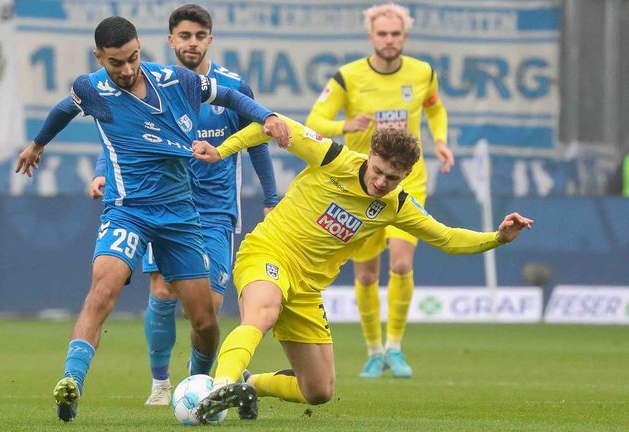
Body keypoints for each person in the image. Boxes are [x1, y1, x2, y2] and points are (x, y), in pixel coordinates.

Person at [14, 16, 290, 422]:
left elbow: (232, 98)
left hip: (181, 216)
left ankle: (199, 388)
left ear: (141, 47)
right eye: (115, 63)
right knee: (102, 291)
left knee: (204, 319)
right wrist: (37, 144)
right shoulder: (91, 88)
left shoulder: (178, 80)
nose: (125, 70)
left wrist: (266, 116)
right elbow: (63, 109)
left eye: (132, 59)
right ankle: (72, 381)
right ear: (99, 58)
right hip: (127, 211)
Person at [190, 115, 532, 423]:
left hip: (307, 288)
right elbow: (270, 125)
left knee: (319, 390)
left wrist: (497, 238)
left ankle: (249, 384)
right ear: (370, 155)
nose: (382, 182)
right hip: (269, 252)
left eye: (393, 178)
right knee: (262, 313)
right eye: (378, 171)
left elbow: (447, 238)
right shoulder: (332, 156)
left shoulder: (397, 206)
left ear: (407, 175)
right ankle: (218, 386)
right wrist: (221, 151)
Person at [89, 4, 279, 406]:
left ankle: (201, 383)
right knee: (161, 290)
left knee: (207, 304)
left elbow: (257, 138)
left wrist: (271, 197)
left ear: (210, 40)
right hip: (164, 202)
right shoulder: (156, 84)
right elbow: (122, 138)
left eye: (199, 36)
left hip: (213, 211)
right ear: (170, 40)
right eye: (184, 36)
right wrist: (101, 170)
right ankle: (161, 386)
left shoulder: (231, 87)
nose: (192, 43)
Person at [306, 2, 455, 378]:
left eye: (396, 34)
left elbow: (435, 108)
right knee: (367, 275)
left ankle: (395, 347)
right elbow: (314, 120)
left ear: (405, 36)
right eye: (382, 34)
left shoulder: (423, 72)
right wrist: (346, 125)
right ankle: (374, 350)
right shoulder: (348, 76)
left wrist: (440, 141)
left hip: (408, 181)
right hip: (363, 186)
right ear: (371, 36)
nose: (389, 40)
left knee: (402, 263)